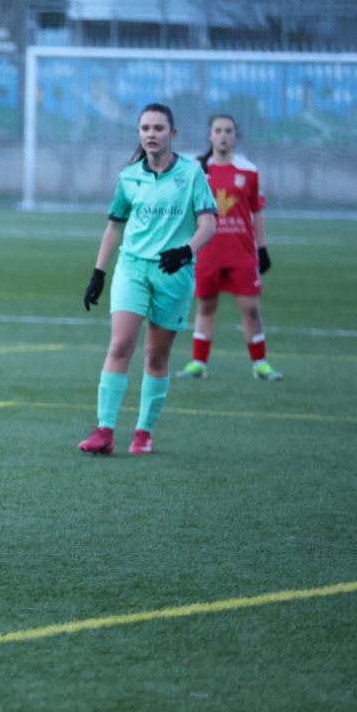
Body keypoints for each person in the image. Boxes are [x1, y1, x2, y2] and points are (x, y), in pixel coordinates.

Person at [79, 104, 217, 456]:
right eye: (145, 128)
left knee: (156, 357)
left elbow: (209, 223)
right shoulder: (129, 177)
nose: (151, 134)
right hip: (133, 269)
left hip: (174, 273)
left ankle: (143, 433)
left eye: (158, 128)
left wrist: (186, 251)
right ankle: (104, 431)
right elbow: (115, 227)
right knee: (120, 346)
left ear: (173, 133)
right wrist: (98, 273)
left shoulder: (192, 173)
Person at [178, 114, 284, 381]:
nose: (223, 135)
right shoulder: (198, 170)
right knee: (205, 307)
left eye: (228, 131)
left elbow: (257, 211)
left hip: (241, 253)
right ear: (210, 136)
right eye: (218, 130)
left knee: (251, 309)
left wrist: (262, 249)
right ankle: (198, 363)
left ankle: (260, 364)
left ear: (236, 136)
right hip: (208, 252)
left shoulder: (248, 170)